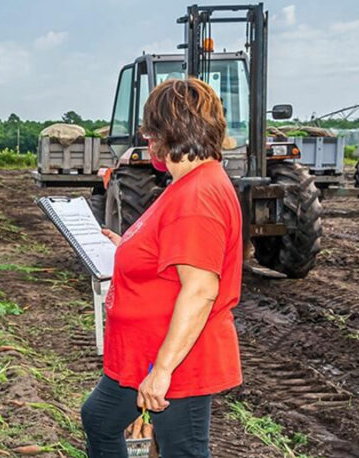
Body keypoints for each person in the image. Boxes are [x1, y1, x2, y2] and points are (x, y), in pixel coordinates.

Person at [79, 78, 245, 457]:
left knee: (182, 450)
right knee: (99, 419)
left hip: (174, 358)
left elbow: (201, 290)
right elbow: (173, 257)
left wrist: (163, 371)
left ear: (168, 132)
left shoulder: (198, 196)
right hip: (142, 351)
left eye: (150, 130)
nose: (147, 139)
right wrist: (130, 250)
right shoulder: (186, 184)